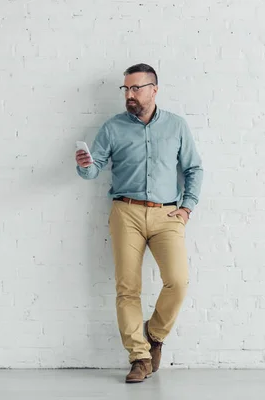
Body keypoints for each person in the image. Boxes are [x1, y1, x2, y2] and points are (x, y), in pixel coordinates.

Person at [75, 63, 203, 383]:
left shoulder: (176, 126)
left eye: (136, 88)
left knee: (178, 281)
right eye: (126, 89)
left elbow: (194, 169)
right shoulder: (113, 127)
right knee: (127, 288)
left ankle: (154, 334)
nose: (129, 95)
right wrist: (85, 165)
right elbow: (94, 169)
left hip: (167, 214)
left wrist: (186, 208)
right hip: (126, 213)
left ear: (153, 90)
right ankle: (139, 357)